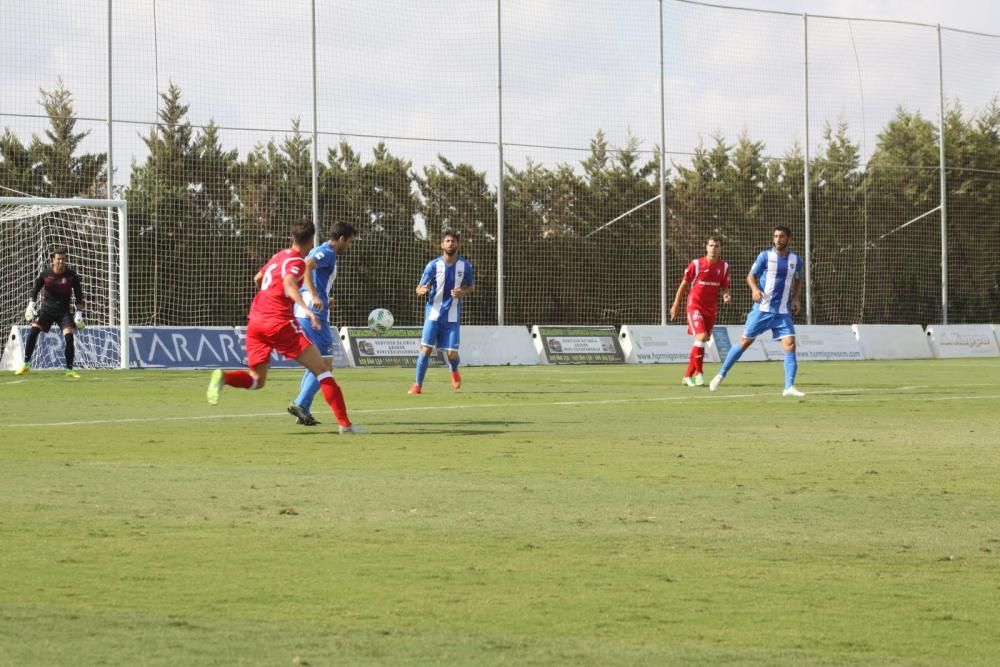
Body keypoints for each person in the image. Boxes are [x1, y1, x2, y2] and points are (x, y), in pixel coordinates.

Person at [206, 219, 366, 434]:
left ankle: (223, 377)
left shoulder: (278, 256)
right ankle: (344, 424)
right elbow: (290, 282)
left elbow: (258, 278)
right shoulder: (301, 260)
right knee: (324, 370)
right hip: (279, 321)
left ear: (292, 237)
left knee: (257, 380)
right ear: (310, 240)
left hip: (256, 320)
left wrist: (272, 295)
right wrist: (307, 306)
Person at [709, 225, 805, 397]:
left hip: (782, 312)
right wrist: (754, 290)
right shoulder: (765, 256)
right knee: (744, 342)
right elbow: (750, 276)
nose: (777, 240)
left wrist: (796, 298)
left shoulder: (796, 260)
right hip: (762, 309)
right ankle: (721, 374)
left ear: (789, 239)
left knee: (790, 344)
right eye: (775, 236)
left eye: (781, 236)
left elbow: (798, 279)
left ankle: (789, 387)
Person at [286, 221, 356, 426]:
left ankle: (303, 408)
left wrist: (323, 296)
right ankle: (300, 403)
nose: (350, 246)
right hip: (312, 314)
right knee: (325, 365)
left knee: (316, 363)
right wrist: (314, 295)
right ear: (342, 239)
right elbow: (307, 265)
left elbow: (308, 270)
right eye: (350, 242)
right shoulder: (327, 252)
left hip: (307, 310)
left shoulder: (322, 250)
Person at [408, 230, 475, 395]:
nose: (450, 243)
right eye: (447, 241)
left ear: (457, 244)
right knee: (426, 349)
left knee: (452, 354)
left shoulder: (465, 266)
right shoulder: (433, 265)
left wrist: (462, 292)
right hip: (433, 314)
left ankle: (453, 370)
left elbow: (471, 286)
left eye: (453, 241)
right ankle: (417, 385)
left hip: (452, 316)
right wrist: (420, 290)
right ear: (442, 244)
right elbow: (418, 288)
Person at [14, 247, 86, 379]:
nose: (61, 261)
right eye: (58, 259)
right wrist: (31, 305)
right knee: (33, 332)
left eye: (63, 259)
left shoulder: (71, 275)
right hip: (47, 309)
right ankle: (25, 364)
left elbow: (79, 295)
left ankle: (69, 370)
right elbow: (35, 290)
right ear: (53, 260)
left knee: (69, 338)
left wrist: (79, 314)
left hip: (63, 311)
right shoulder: (46, 274)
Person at [669, 236, 731, 386]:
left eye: (716, 246)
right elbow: (684, 284)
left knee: (701, 340)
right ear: (706, 247)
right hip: (694, 306)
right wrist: (676, 304)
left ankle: (686, 376)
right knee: (702, 336)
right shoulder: (696, 264)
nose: (713, 248)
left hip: (711, 309)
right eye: (711, 245)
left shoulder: (724, 267)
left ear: (720, 249)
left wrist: (726, 295)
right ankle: (699, 373)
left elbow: (724, 287)